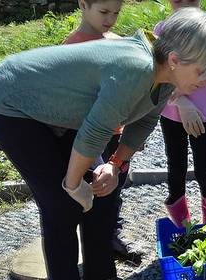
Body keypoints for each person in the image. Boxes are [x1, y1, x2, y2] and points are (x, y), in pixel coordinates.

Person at [0, 8, 206, 280]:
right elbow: (94, 132)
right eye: (203, 72)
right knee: (60, 205)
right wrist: (73, 185)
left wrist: (113, 166)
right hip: (14, 101)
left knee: (104, 190)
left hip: (67, 111)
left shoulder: (164, 76)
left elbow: (143, 121)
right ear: (174, 59)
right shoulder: (135, 70)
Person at [62, 0, 144, 265]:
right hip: (87, 135)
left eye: (116, 13)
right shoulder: (71, 47)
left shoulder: (119, 42)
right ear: (83, 5)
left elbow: (129, 93)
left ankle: (112, 236)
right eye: (104, 12)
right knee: (93, 195)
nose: (110, 19)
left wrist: (133, 135)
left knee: (115, 187)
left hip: (116, 132)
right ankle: (94, 255)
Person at [156, 0, 206, 228]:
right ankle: (183, 228)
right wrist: (181, 101)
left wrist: (191, 95)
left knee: (204, 171)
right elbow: (160, 75)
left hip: (204, 114)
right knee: (175, 168)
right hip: (170, 112)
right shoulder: (163, 29)